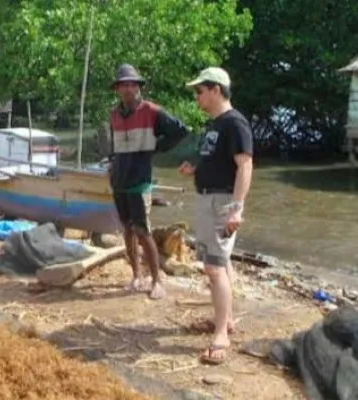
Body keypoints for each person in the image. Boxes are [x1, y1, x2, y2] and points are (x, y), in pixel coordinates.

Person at [179, 67, 254, 365]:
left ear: (216, 90)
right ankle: (227, 320)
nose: (197, 96)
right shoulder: (216, 125)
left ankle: (221, 333)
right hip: (207, 198)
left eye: (199, 90)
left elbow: (245, 166)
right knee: (220, 264)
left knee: (214, 269)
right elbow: (218, 160)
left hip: (221, 202)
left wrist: (237, 208)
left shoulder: (235, 123)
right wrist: (195, 170)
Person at [107, 64, 191, 300]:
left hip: (140, 180)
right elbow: (116, 147)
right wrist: (111, 165)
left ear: (138, 87)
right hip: (119, 180)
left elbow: (181, 131)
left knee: (142, 231)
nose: (128, 89)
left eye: (132, 84)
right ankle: (136, 275)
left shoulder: (152, 112)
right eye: (123, 85)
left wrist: (155, 147)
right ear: (117, 89)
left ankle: (156, 281)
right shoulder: (114, 114)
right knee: (127, 231)